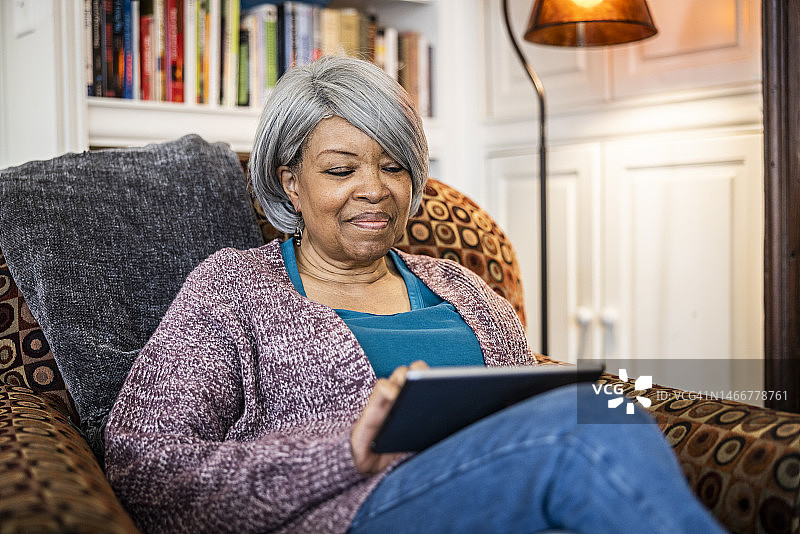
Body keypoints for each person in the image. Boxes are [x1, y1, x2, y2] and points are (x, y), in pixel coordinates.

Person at [104, 55, 726, 534]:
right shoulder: (233, 288)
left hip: (500, 497)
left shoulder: (461, 286)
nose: (374, 189)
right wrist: (344, 452)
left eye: (393, 166)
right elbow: (144, 470)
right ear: (290, 182)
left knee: (606, 411)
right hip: (355, 514)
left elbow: (522, 415)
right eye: (341, 169)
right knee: (580, 427)